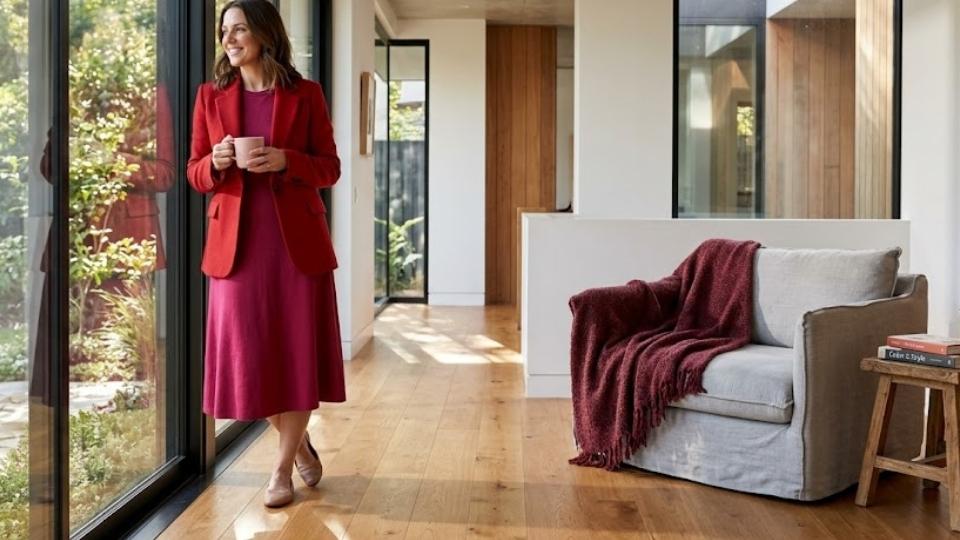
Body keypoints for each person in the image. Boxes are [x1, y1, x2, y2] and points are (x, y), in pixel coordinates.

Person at [186, 0, 344, 508]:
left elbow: (329, 167)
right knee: (249, 358)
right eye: (224, 31)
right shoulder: (210, 96)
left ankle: (280, 469)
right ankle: (298, 442)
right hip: (236, 249)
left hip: (296, 246)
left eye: (239, 29)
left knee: (295, 356)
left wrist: (285, 160)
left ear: (264, 33)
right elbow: (194, 173)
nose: (229, 39)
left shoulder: (306, 94)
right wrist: (215, 161)